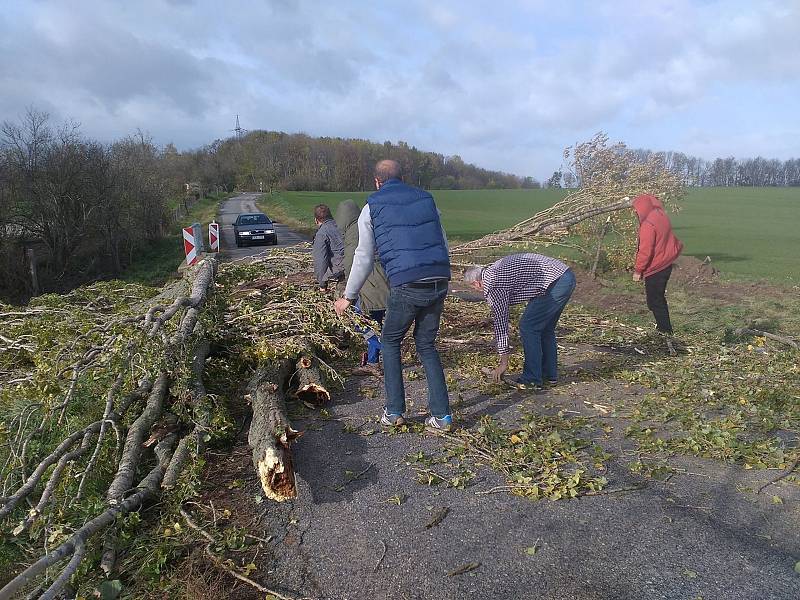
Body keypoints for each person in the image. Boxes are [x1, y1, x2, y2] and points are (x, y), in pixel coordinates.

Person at [334, 160, 453, 431]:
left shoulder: (371, 206)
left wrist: (348, 296)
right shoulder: (427, 199)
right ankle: (442, 417)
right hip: (438, 278)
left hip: (407, 283)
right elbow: (442, 241)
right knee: (426, 345)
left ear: (377, 181)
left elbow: (363, 256)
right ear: (403, 177)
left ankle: (394, 411)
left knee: (390, 341)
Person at [464, 253, 576, 391]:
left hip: (555, 282)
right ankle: (548, 375)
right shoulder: (494, 270)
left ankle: (532, 379)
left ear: (476, 282)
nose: (477, 290)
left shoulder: (492, 284)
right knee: (545, 329)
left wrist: (503, 363)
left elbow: (501, 324)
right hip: (565, 276)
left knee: (528, 326)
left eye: (474, 288)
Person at [334, 199, 389, 373]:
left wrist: (347, 294)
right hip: (382, 285)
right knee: (375, 324)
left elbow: (353, 265)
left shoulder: (353, 234)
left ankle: (387, 349)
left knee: (359, 322)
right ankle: (373, 361)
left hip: (368, 288)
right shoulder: (367, 226)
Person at [631, 194, 683, 352]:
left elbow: (645, 251)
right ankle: (663, 329)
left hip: (657, 266)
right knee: (656, 299)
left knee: (655, 301)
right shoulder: (660, 215)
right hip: (667, 261)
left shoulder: (648, 225)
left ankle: (665, 332)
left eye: (635, 209)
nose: (635, 213)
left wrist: (638, 270)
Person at [311, 204, 344, 292]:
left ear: (316, 220)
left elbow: (321, 261)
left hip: (344, 273)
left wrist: (322, 284)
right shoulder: (342, 226)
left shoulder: (321, 234)